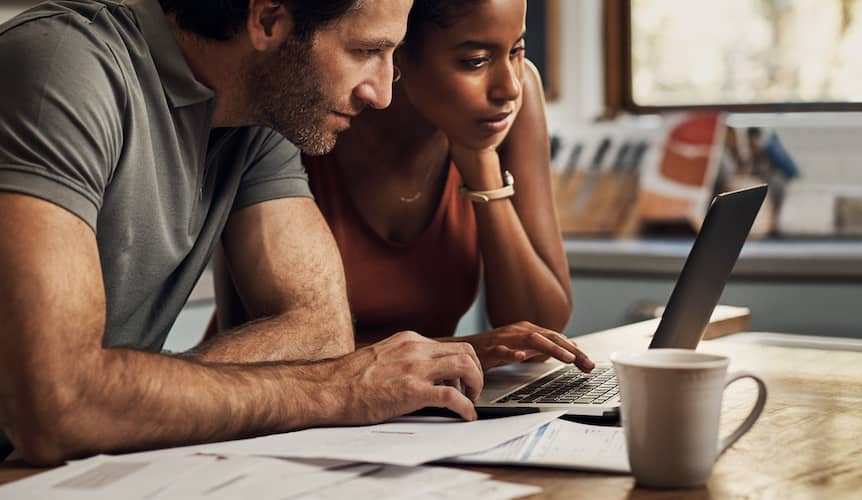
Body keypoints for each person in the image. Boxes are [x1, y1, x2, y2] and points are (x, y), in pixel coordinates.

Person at [0, 0, 498, 496]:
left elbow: (317, 332)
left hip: (70, 472)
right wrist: (338, 391)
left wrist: (124, 401)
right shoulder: (54, 71)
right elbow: (58, 406)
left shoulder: (259, 114)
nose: (380, 91)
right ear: (268, 18)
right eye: (366, 50)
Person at [211, 0, 593, 372]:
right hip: (282, 405)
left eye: (517, 50)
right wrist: (461, 350)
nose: (508, 87)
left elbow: (540, 333)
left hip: (414, 411)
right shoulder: (308, 115)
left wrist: (481, 164)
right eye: (475, 61)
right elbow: (262, 341)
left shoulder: (509, 104)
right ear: (398, 50)